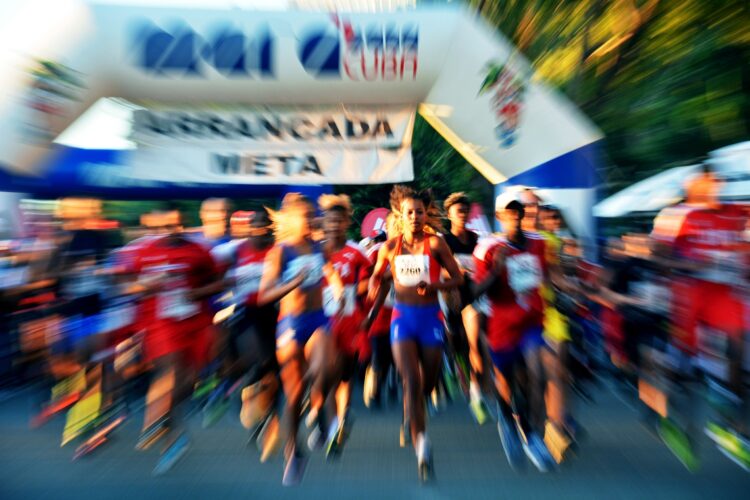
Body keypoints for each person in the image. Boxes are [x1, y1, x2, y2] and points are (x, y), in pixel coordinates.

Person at [650, 167, 749, 470]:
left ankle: (731, 426)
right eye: (704, 183)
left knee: (738, 346)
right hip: (690, 292)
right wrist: (690, 263)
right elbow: (657, 255)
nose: (712, 189)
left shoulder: (736, 212)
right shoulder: (678, 215)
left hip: (724, 292)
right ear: (691, 186)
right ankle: (676, 421)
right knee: (685, 365)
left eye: (715, 183)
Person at [368, 186, 463, 482]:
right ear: (400, 215)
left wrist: (435, 287)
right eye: (409, 212)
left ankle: (414, 409)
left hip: (430, 318)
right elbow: (379, 279)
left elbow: (459, 277)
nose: (414, 217)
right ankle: (422, 446)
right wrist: (372, 292)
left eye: (419, 212)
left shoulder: (436, 245)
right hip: (402, 320)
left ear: (425, 214)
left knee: (428, 383)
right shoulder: (390, 247)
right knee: (411, 380)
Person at [128, 208, 223, 475]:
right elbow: (130, 286)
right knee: (169, 371)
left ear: (184, 225)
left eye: (178, 224)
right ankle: (166, 432)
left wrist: (196, 292)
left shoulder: (200, 252)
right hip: (161, 323)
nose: (173, 229)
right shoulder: (145, 251)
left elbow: (219, 284)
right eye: (168, 224)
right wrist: (147, 285)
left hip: (194, 323)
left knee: (186, 383)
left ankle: (164, 423)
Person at [257, 193, 342, 486]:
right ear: (290, 219)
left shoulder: (319, 247)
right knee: (293, 395)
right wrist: (291, 282)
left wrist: (338, 285)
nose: (309, 220)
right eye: (304, 216)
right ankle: (293, 450)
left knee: (325, 369)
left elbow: (329, 270)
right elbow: (264, 294)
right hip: (291, 324)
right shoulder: (280, 253)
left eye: (311, 215)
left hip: (318, 319)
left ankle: (319, 413)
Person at [472, 191, 555, 472]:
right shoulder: (488, 248)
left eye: (519, 210)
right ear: (499, 217)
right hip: (501, 326)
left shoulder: (540, 244)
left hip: (532, 323)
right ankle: (507, 420)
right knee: (507, 384)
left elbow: (551, 277)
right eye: (510, 212)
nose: (517, 216)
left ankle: (532, 435)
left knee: (537, 375)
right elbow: (474, 292)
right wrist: (496, 270)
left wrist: (570, 292)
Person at [312, 194, 372, 458]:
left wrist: (350, 290)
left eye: (339, 220)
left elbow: (369, 282)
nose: (334, 225)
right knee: (323, 373)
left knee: (344, 377)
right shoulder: (315, 251)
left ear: (346, 222)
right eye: (329, 220)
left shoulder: (355, 251)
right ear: (323, 223)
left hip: (349, 321)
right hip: (321, 323)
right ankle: (321, 416)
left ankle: (338, 424)